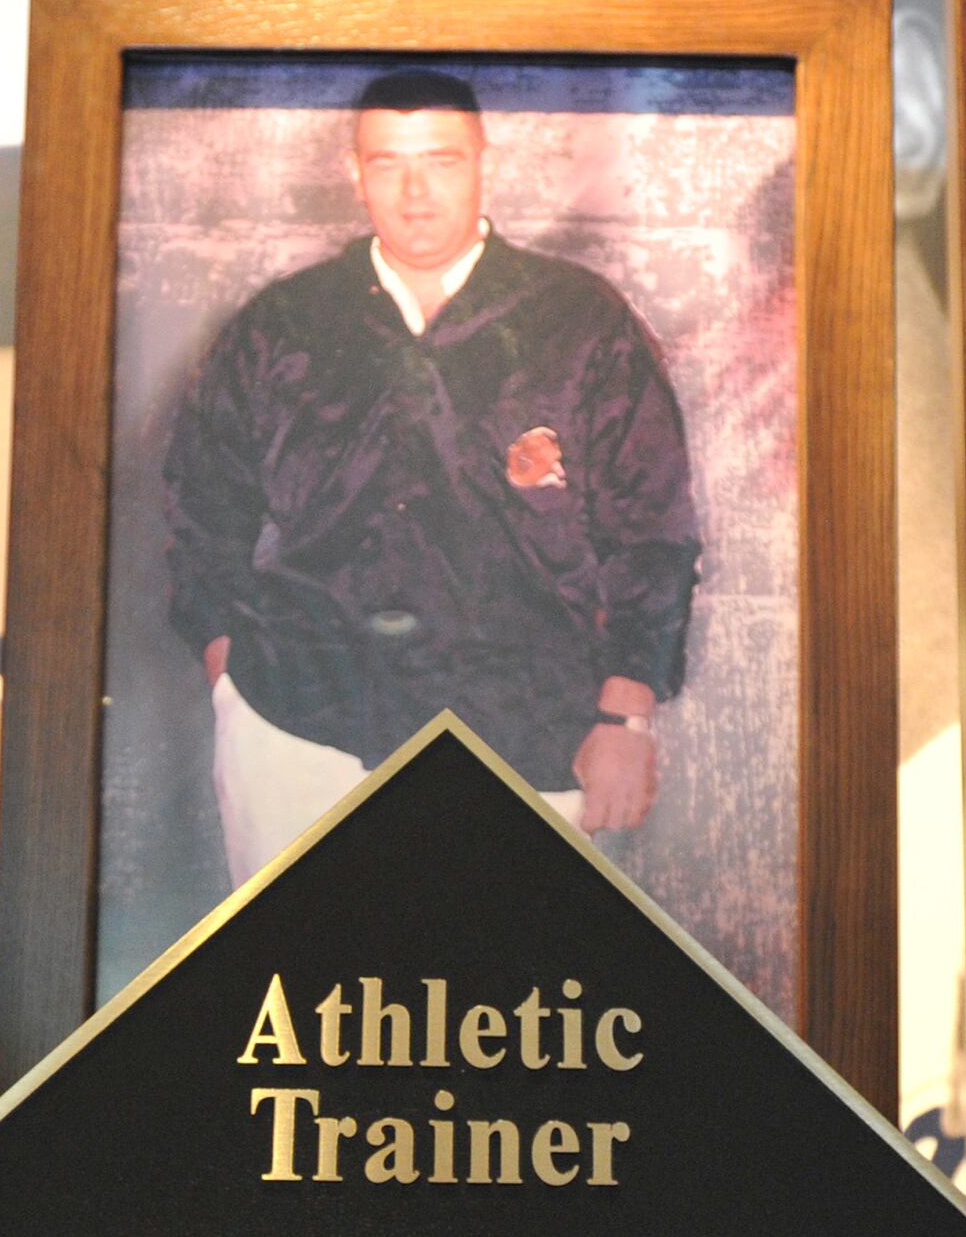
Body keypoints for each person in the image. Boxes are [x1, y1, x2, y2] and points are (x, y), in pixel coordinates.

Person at [164, 68, 700, 882]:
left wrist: (626, 717)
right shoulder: (285, 321)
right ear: (354, 171)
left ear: (486, 160)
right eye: (388, 163)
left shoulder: (580, 321)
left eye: (442, 161)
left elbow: (653, 529)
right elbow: (201, 504)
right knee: (301, 990)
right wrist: (229, 680)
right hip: (299, 727)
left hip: (523, 730)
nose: (416, 193)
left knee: (499, 1001)